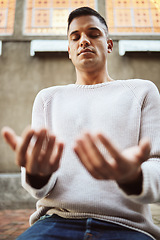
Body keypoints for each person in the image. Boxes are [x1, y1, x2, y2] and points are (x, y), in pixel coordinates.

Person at [2, 6, 160, 240]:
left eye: (93, 34)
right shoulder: (48, 99)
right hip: (55, 221)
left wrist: (134, 177)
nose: (83, 41)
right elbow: (40, 186)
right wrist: (36, 175)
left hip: (127, 226)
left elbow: (156, 164)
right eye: (75, 37)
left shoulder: (142, 91)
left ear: (108, 44)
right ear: (69, 50)